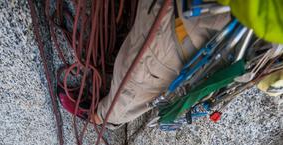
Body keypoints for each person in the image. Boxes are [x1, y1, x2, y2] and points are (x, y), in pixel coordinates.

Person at [93, 0, 283, 128]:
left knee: (131, 89)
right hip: (197, 29)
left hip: (189, 32)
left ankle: (101, 118)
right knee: (136, 82)